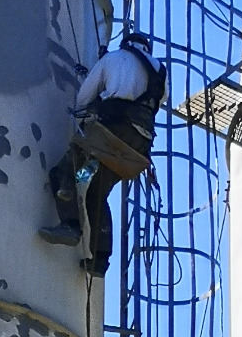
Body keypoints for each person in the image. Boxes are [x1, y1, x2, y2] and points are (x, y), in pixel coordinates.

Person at [40, 28, 165, 276]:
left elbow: (85, 97)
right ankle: (99, 261)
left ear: (126, 43)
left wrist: (85, 110)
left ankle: (71, 225)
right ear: (146, 48)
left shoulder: (115, 58)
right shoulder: (160, 72)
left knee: (65, 172)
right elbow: (156, 104)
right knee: (96, 190)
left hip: (109, 135)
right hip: (136, 146)